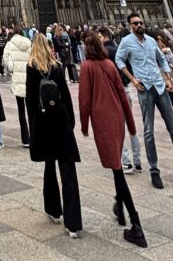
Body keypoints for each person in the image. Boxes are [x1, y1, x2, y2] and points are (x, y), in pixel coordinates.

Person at [116, 13, 173, 191]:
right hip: (144, 89)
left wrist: (168, 77)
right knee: (148, 132)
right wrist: (132, 79)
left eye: (141, 22)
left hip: (160, 87)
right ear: (130, 25)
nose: (139, 24)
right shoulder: (126, 42)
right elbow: (119, 59)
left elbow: (161, 59)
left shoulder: (150, 41)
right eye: (135, 23)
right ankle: (154, 171)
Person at [78, 32, 147, 248]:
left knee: (117, 169)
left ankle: (136, 225)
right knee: (116, 165)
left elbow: (84, 100)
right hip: (117, 119)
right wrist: (132, 125)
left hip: (104, 122)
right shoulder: (109, 64)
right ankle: (120, 207)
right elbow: (122, 94)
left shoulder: (88, 67)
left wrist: (84, 125)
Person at [25, 32, 82, 238]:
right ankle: (73, 224)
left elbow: (30, 100)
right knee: (68, 170)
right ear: (49, 47)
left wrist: (33, 126)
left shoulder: (31, 68)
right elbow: (65, 96)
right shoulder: (57, 67)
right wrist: (71, 121)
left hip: (43, 123)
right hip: (61, 121)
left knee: (49, 166)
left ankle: (53, 210)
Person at [98, 25, 141, 172]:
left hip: (113, 92)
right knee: (131, 124)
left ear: (105, 37)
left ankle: (126, 162)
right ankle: (138, 160)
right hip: (125, 89)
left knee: (117, 126)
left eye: (99, 37)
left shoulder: (103, 52)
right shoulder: (119, 50)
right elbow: (128, 67)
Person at [3, 23, 31, 147]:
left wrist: (11, 71)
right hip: (30, 79)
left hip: (18, 79)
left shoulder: (10, 44)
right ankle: (35, 136)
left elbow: (6, 62)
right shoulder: (29, 43)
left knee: (21, 110)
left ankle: (26, 139)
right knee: (32, 109)